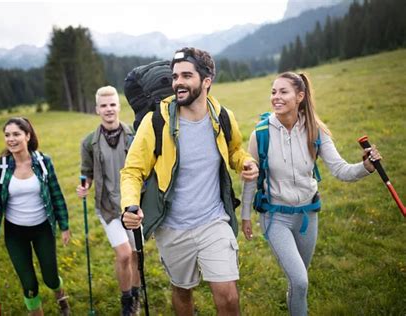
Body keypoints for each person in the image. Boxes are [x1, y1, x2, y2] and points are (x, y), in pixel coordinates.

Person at [121, 47, 259, 316]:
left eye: (186, 75)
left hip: (213, 221)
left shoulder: (222, 117)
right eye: (174, 76)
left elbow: (233, 151)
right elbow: (132, 171)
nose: (178, 83)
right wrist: (129, 205)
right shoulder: (155, 122)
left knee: (228, 297)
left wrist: (245, 162)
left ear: (206, 80)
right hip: (172, 228)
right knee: (182, 292)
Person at [241, 72, 382, 316]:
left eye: (283, 92)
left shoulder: (316, 131)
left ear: (300, 96)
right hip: (275, 218)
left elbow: (341, 170)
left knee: (298, 280)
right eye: (273, 91)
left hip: (308, 217)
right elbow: (251, 178)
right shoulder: (260, 133)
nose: (276, 97)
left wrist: (366, 168)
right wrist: (245, 216)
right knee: (301, 281)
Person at [0, 117, 71, 316]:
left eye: (16, 134)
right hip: (15, 232)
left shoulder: (44, 162)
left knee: (51, 277)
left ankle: (61, 298)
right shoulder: (1, 167)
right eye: (7, 135)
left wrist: (64, 226)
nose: (11, 139)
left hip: (42, 228)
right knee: (29, 284)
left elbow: (56, 194)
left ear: (27, 136)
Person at [77, 85, 141, 316]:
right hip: (108, 208)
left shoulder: (133, 135)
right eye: (103, 106)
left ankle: (136, 294)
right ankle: (126, 301)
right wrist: (84, 186)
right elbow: (87, 172)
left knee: (136, 254)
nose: (108, 109)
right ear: (97, 110)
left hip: (133, 206)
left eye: (112, 104)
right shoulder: (89, 142)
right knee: (124, 254)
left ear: (118, 106)